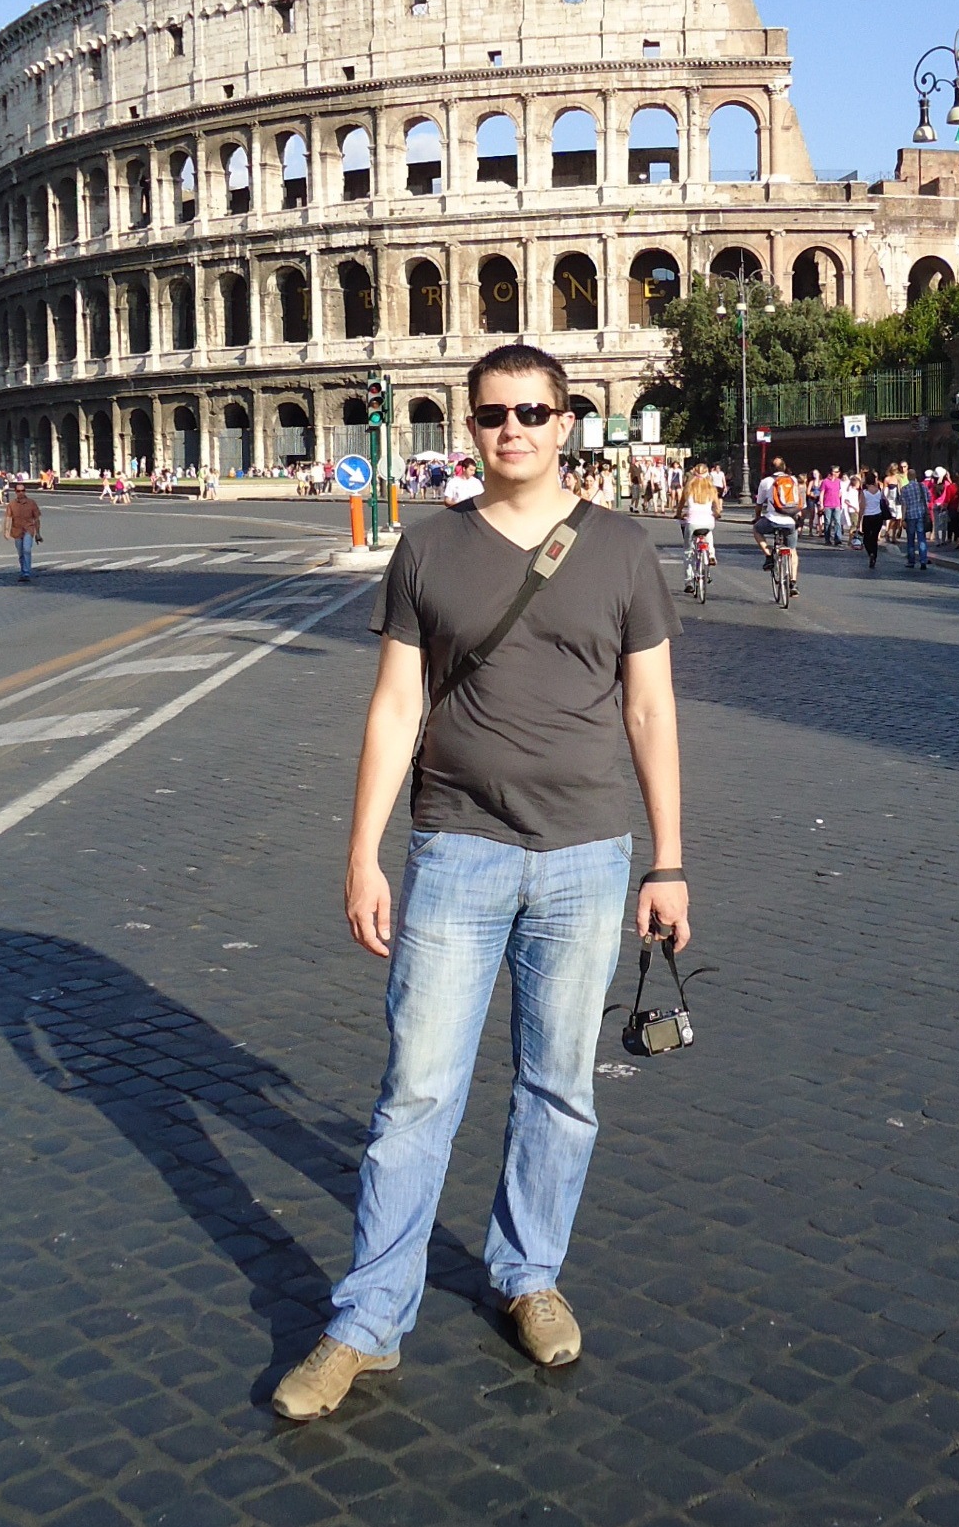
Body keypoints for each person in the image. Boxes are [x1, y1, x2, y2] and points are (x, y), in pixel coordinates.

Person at [271, 343, 687, 1422]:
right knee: (416, 1092)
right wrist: (360, 851)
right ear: (470, 425)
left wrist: (669, 860)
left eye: (533, 412)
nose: (513, 429)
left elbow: (649, 709)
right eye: (494, 413)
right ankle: (366, 1321)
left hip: (586, 854)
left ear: (565, 422)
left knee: (560, 1087)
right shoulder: (428, 547)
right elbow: (395, 706)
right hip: (455, 846)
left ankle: (527, 1274)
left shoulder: (622, 548)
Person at [752, 456, 800, 587]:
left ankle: (768, 555)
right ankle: (793, 582)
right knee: (792, 550)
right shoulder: (793, 480)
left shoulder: (766, 482)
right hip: (790, 521)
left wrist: (757, 517)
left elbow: (759, 504)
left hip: (772, 519)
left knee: (756, 530)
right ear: (784, 467)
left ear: (771, 469)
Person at [677, 465, 720, 592]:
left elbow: (680, 505)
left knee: (688, 551)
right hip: (708, 522)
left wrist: (679, 514)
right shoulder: (711, 488)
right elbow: (717, 507)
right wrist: (716, 514)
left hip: (692, 522)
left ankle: (689, 582)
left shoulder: (688, 487)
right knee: (708, 531)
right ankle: (711, 554)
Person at [3, 479, 43, 581]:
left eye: (22, 491)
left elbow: (36, 519)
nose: (21, 493)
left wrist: (38, 533)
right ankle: (23, 570)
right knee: (21, 553)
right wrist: (6, 531)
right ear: (15, 492)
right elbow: (8, 518)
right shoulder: (12, 504)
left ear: (25, 491)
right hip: (16, 531)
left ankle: (26, 572)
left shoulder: (31, 503)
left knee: (26, 550)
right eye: (18, 491)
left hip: (28, 530)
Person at [900, 467, 931, 570]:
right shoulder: (922, 487)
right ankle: (923, 560)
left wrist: (903, 519)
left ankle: (911, 561)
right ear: (915, 476)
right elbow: (929, 498)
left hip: (910, 516)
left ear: (908, 477)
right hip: (921, 514)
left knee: (911, 539)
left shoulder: (904, 489)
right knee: (921, 538)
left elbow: (904, 505)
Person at [858, 470, 886, 569]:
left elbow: (862, 507)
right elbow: (885, 501)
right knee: (874, 538)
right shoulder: (879, 491)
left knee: (866, 538)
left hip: (868, 516)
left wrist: (859, 521)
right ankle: (874, 555)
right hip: (878, 516)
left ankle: (870, 553)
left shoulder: (864, 492)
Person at [819, 466, 843, 546]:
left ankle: (838, 539)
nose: (838, 473)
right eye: (836, 472)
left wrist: (841, 502)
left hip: (837, 504)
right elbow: (822, 493)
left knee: (837, 522)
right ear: (831, 472)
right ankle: (827, 539)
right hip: (827, 505)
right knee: (827, 522)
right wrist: (821, 504)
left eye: (838, 472)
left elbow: (841, 492)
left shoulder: (839, 481)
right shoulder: (825, 481)